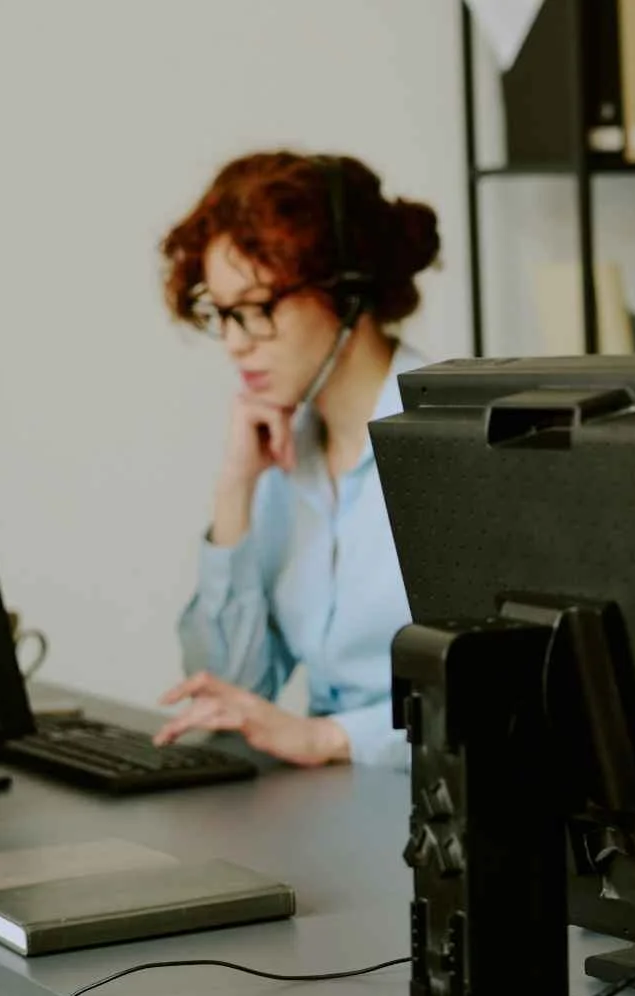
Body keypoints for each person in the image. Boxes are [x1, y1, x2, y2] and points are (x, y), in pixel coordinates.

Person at [151, 150, 440, 769]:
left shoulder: (454, 445)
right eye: (223, 315)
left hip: (451, 821)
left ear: (347, 293)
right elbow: (229, 690)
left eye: (257, 309)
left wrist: (333, 737)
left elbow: (505, 694)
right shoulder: (286, 456)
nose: (234, 343)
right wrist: (234, 492)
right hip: (335, 806)